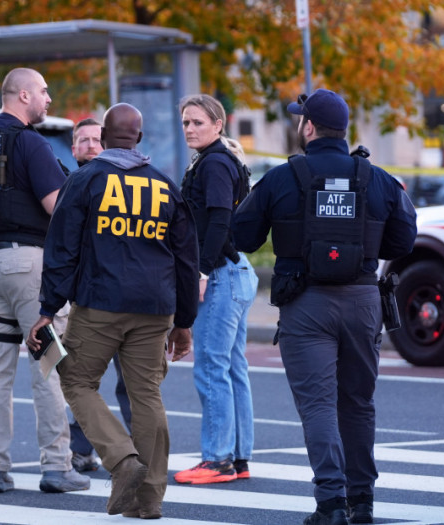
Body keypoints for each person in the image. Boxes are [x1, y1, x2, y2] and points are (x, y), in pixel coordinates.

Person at [232, 88, 417, 525]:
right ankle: (362, 501)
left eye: (301, 119)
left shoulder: (281, 178)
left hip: (306, 304)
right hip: (363, 302)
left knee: (318, 405)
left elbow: (243, 236)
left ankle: (331, 503)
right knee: (358, 403)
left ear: (309, 127)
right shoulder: (378, 178)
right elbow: (404, 239)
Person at [27, 102, 199, 519]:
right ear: (139, 138)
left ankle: (122, 461)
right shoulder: (164, 185)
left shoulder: (85, 180)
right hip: (155, 307)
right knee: (147, 395)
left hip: (100, 302)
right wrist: (184, 321)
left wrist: (48, 308)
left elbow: (62, 247)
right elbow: (186, 257)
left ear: (103, 138)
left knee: (76, 380)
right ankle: (150, 499)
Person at [0, 67, 90, 494]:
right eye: (44, 92)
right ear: (24, 95)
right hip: (27, 264)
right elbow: (56, 206)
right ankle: (56, 466)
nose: (49, 99)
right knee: (47, 364)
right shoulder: (28, 141)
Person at [173, 94, 259, 485]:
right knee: (232, 368)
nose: (190, 128)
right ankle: (237, 458)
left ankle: (218, 459)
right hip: (235, 271)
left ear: (218, 125)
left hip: (222, 273)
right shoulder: (217, 160)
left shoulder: (214, 163)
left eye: (198, 122)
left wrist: (203, 270)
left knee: (211, 367)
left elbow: (220, 218)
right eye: (186, 122)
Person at [65, 117, 133, 473]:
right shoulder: (65, 185)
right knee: (78, 379)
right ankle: (80, 449)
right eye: (84, 140)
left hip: (124, 297)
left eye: (96, 139)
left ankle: (136, 452)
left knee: (131, 382)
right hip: (82, 298)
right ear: (73, 147)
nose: (91, 145)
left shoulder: (130, 183)